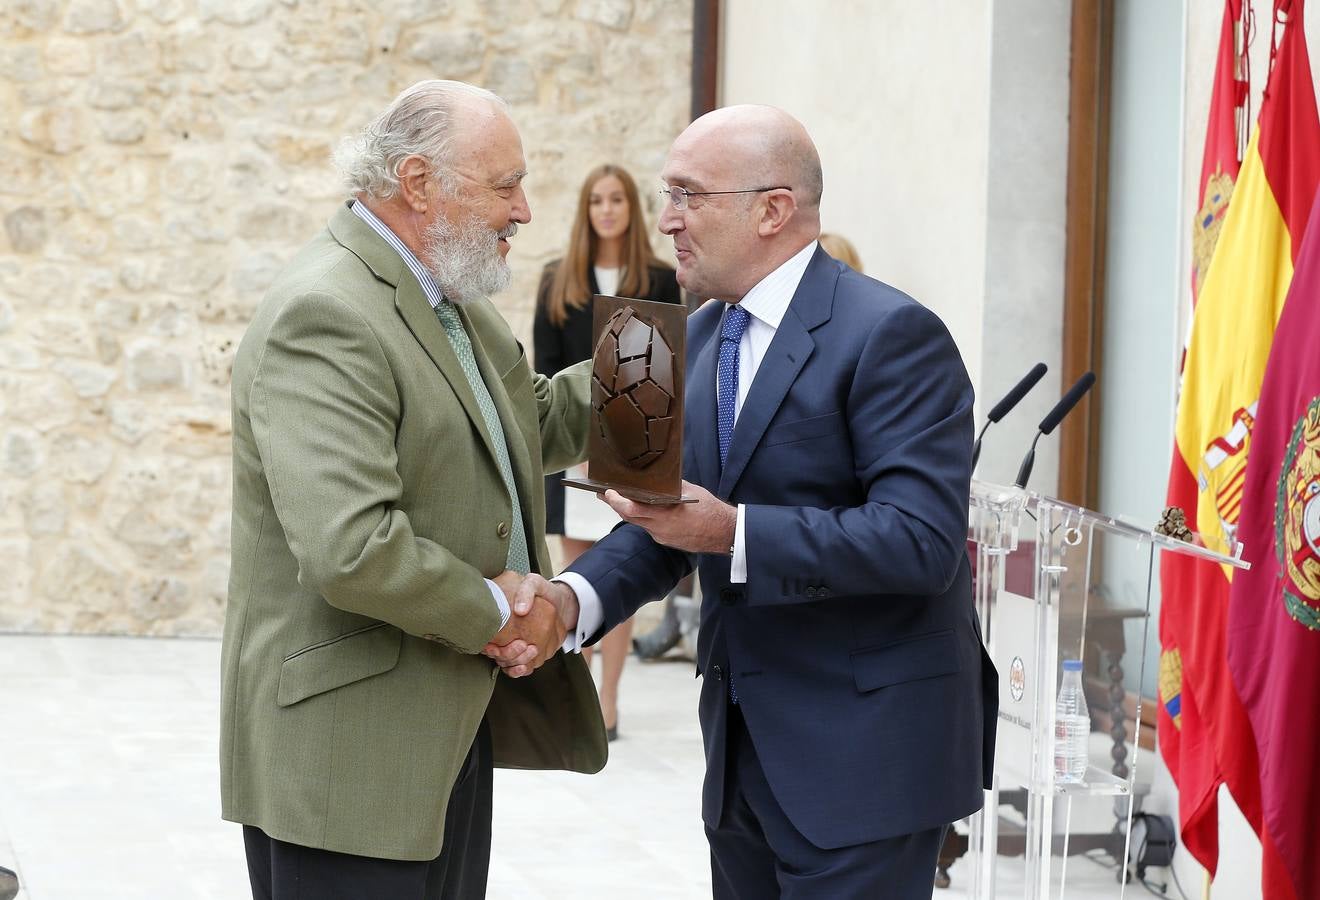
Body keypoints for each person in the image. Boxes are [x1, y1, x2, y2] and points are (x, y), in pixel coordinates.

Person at [490, 105, 998, 898]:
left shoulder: (893, 334)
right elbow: (660, 523)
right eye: (667, 195)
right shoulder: (669, 341)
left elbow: (920, 543)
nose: (666, 221)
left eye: (689, 195)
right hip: (739, 763)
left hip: (865, 765)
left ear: (773, 209)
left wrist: (736, 533)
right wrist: (569, 598)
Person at [220, 80, 606, 900]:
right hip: (346, 764)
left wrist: (683, 356)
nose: (524, 210)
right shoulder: (324, 314)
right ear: (420, 184)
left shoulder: (448, 298)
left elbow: (529, 420)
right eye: (505, 185)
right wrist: (502, 612)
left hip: (439, 733)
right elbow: (350, 547)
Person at [532, 164, 681, 740]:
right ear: (586, 210)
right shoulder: (557, 278)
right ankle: (577, 695)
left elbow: (672, 363)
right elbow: (545, 374)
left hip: (637, 448)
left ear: (630, 208)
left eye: (617, 199)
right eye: (597, 200)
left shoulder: (661, 278)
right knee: (580, 573)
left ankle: (608, 700)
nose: (608, 209)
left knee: (623, 567)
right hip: (576, 448)